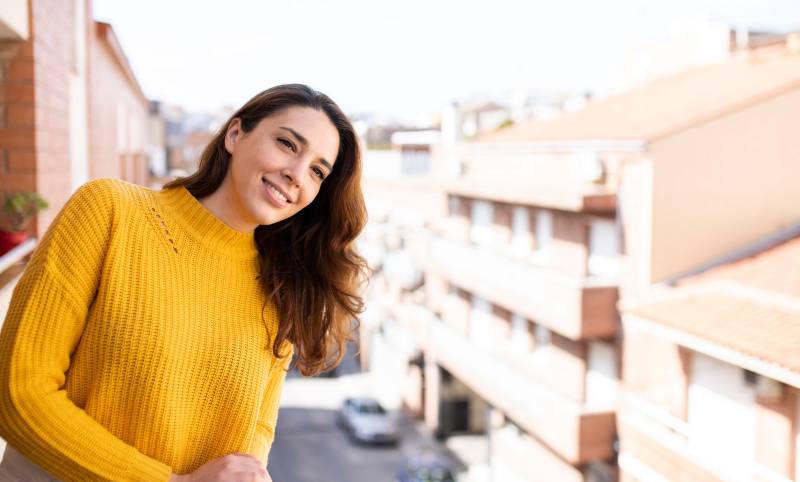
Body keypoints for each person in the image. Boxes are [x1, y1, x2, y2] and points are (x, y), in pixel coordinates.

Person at [0, 84, 368, 481]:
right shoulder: (109, 212)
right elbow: (19, 394)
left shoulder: (282, 287)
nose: (296, 175)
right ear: (235, 135)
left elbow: (254, 431)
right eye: (287, 144)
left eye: (317, 171)